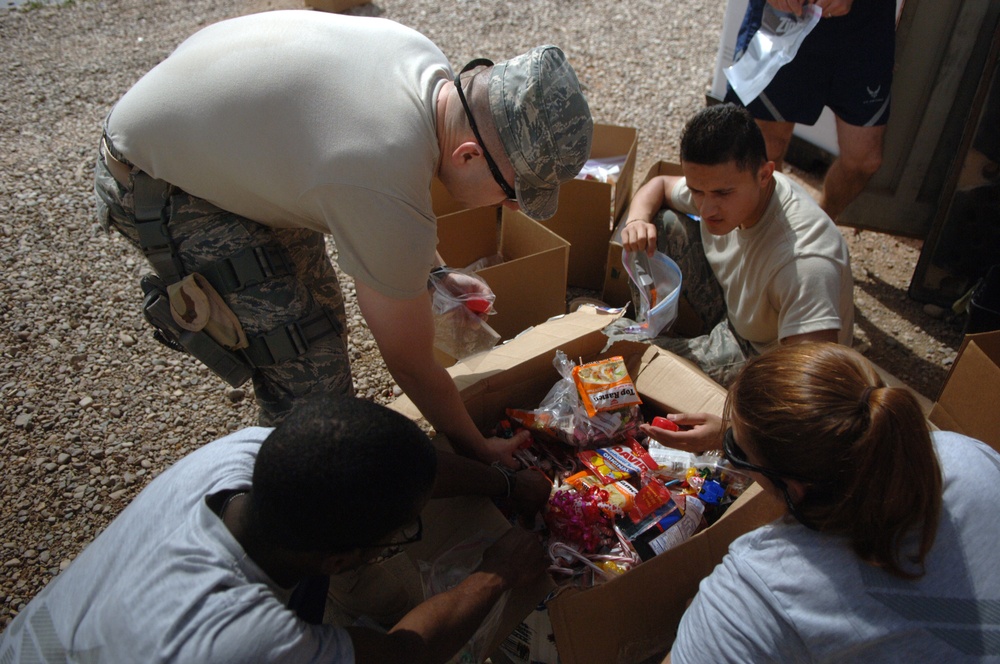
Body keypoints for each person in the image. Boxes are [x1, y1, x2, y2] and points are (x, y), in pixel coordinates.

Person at [94, 10, 594, 466]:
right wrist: (476, 447)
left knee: (321, 307)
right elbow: (411, 364)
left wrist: (432, 273)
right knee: (313, 384)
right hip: (156, 181)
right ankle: (285, 510)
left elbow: (381, 201)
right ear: (468, 155)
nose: (511, 206)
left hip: (213, 132)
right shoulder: (380, 166)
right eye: (512, 191)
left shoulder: (424, 66)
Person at [0, 394, 552, 663]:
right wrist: (498, 573)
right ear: (340, 561)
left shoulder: (240, 454)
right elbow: (404, 655)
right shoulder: (248, 637)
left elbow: (404, 467)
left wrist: (503, 486)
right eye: (400, 534)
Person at [657, 342, 1000, 662]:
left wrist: (705, 627)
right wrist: (750, 437)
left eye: (736, 451)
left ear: (795, 489)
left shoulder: (756, 593)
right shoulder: (969, 456)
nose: (729, 451)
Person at [620, 103, 853, 388]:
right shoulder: (726, 187)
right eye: (697, 191)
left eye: (722, 193)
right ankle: (650, 330)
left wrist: (728, 429)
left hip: (760, 355)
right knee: (659, 225)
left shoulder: (802, 261)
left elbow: (813, 381)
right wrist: (636, 222)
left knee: (625, 349)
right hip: (735, 308)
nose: (706, 209)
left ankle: (648, 341)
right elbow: (659, 185)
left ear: (765, 175)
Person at [724, 0, 896, 221]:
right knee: (767, 146)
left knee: (863, 160)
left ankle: (819, 225)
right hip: (783, 15)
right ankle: (769, 232)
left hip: (865, 22)